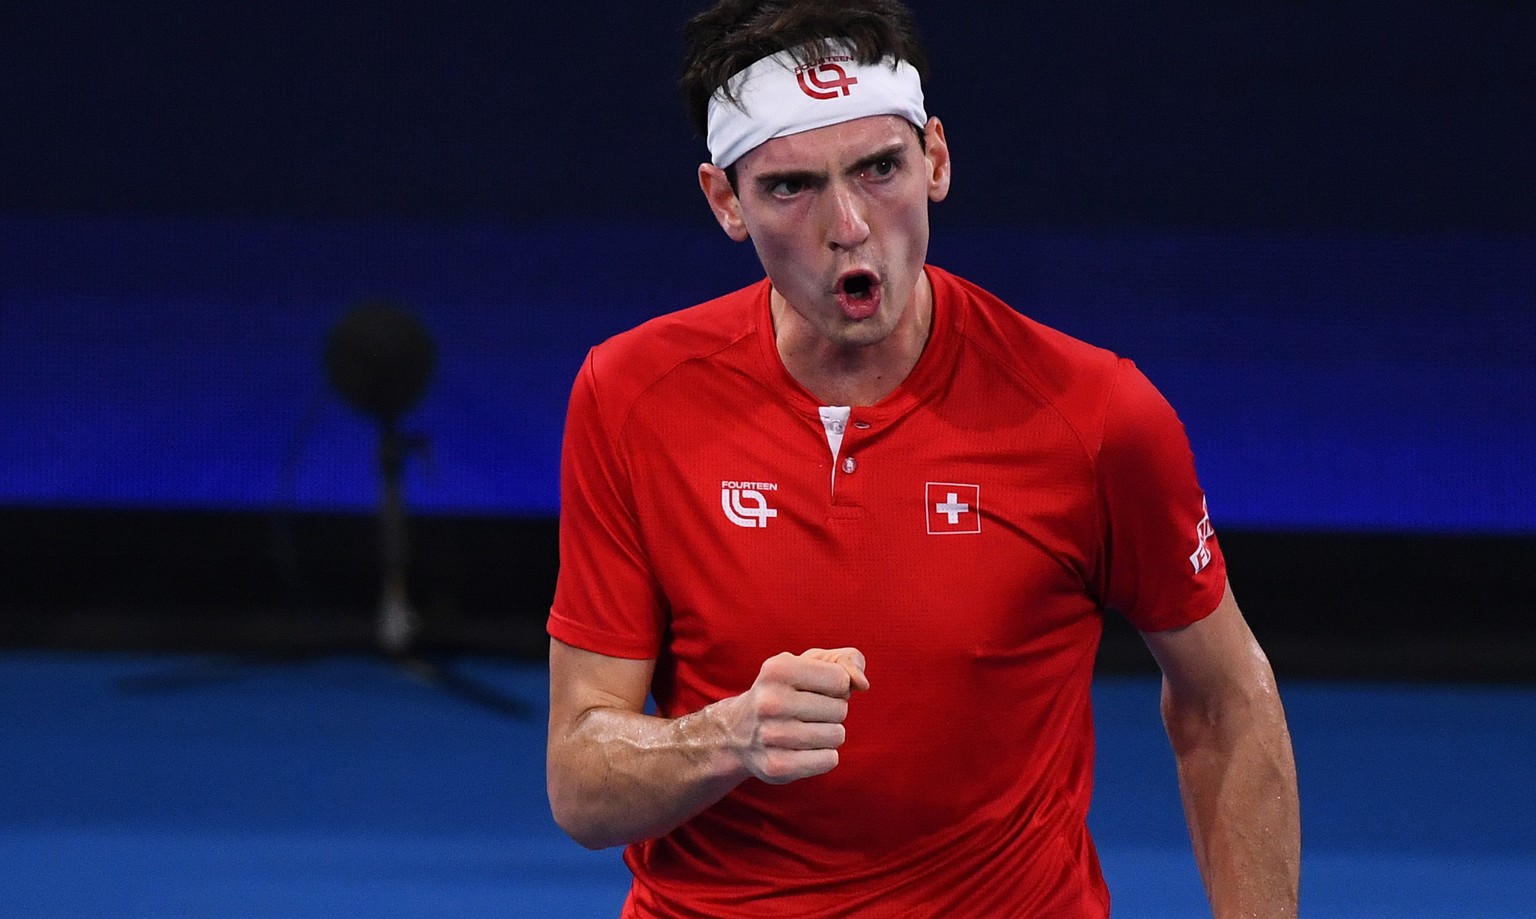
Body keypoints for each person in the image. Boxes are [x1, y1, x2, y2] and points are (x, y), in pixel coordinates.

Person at [545, 1, 1300, 915]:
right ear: (724, 202)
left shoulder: (1096, 415)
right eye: (792, 187)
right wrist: (726, 735)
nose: (851, 223)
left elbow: (1225, 700)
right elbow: (582, 784)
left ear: (936, 159)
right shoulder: (628, 396)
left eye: (880, 168)